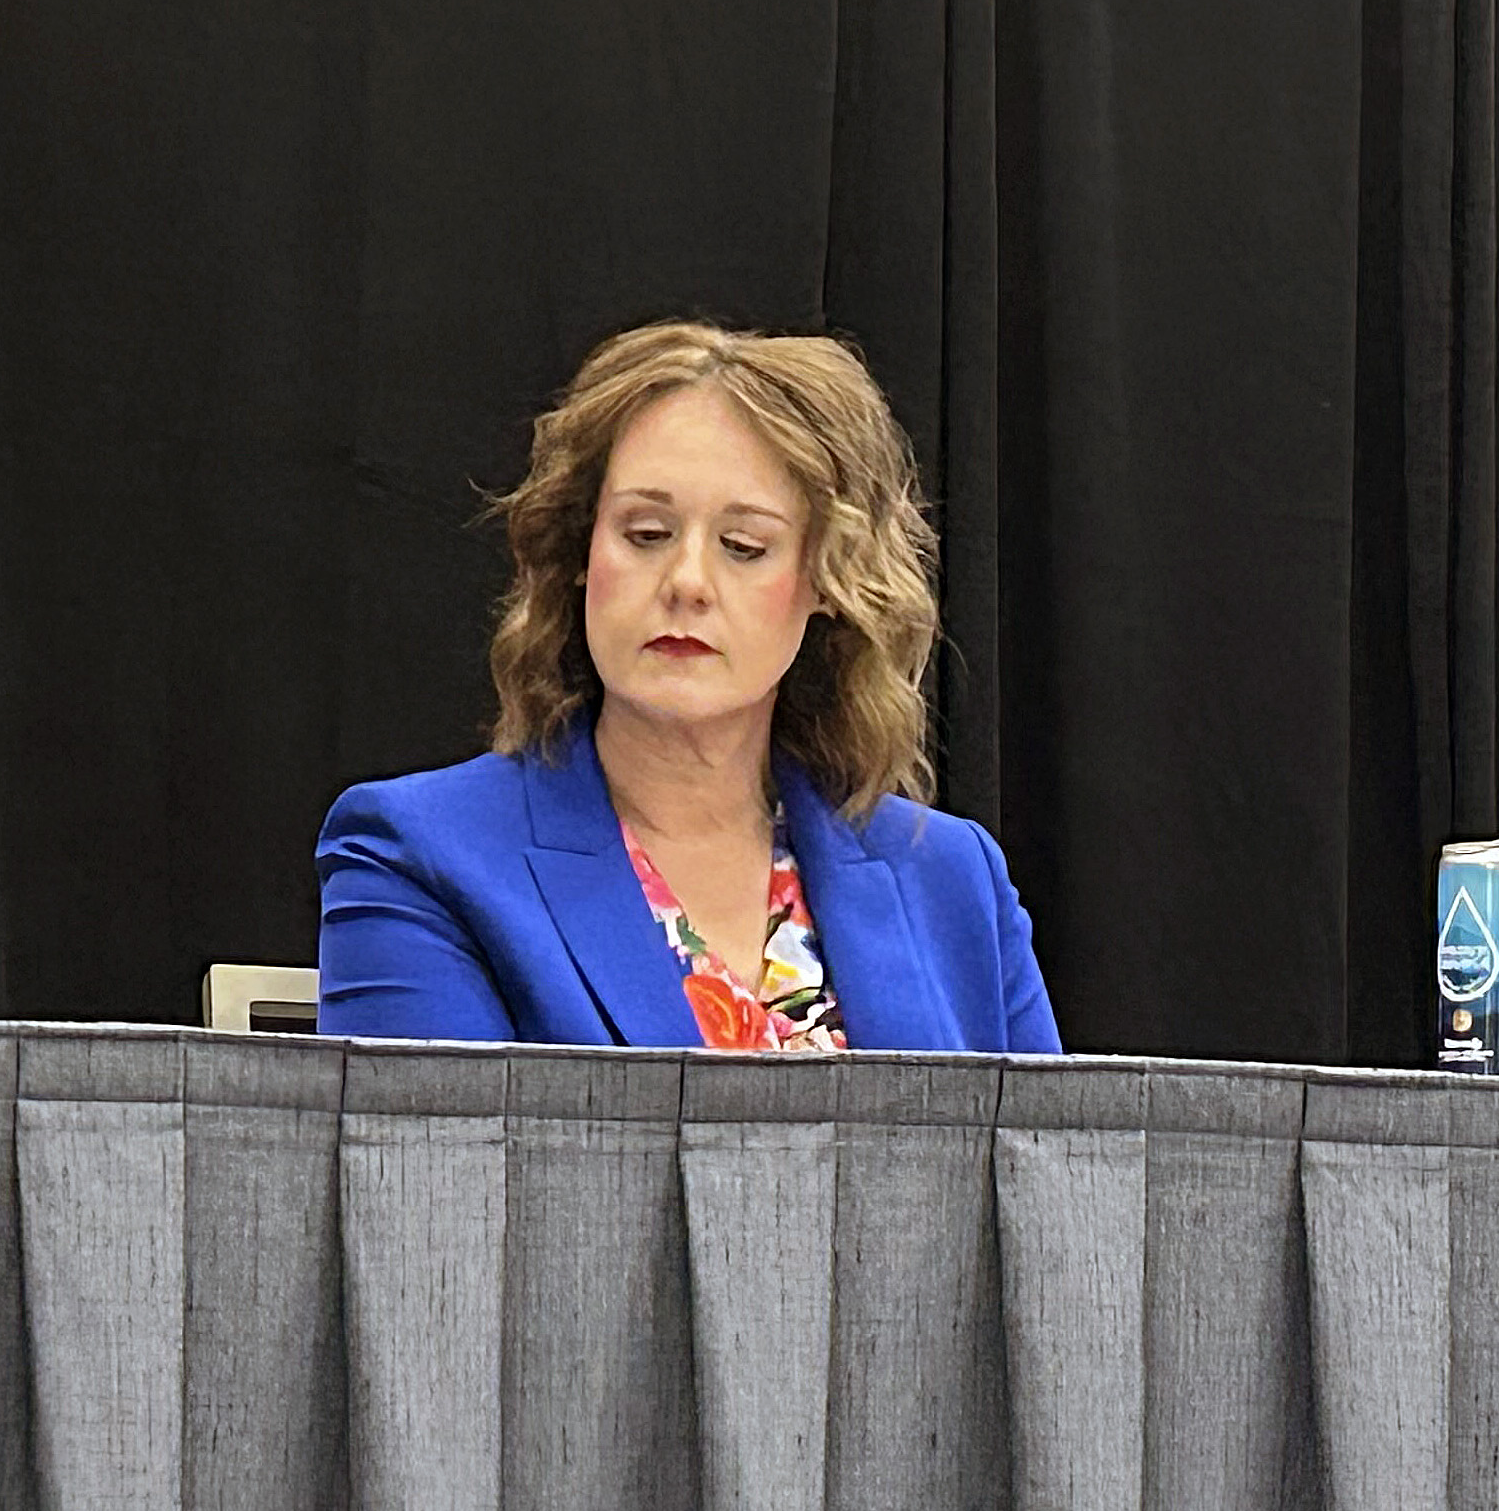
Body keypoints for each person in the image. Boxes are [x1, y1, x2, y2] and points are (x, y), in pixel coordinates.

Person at [315, 321, 1057, 1054]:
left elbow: (1059, 1171)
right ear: (580, 551)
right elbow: (428, 1170)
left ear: (826, 581)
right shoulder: (417, 854)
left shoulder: (956, 881)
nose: (688, 583)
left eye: (744, 547)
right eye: (645, 533)